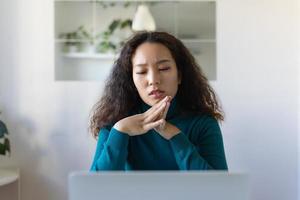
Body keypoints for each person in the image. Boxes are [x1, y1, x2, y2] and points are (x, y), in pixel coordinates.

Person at [89, 31, 228, 171]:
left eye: (163, 68)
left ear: (179, 75)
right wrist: (120, 131)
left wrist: (174, 135)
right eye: (142, 72)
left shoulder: (203, 124)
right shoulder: (114, 123)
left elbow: (220, 188)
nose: (153, 80)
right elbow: (93, 189)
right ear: (130, 80)